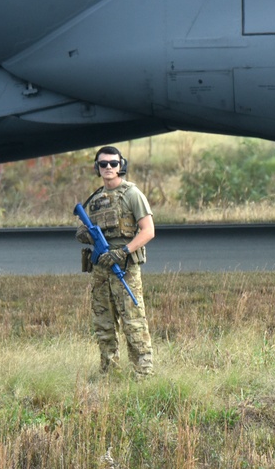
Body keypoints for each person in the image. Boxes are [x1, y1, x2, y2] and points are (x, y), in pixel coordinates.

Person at [76, 145, 155, 376]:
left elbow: (148, 231)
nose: (109, 168)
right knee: (103, 323)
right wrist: (84, 234)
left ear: (122, 166)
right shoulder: (96, 199)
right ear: (97, 167)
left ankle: (143, 374)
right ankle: (108, 372)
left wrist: (123, 252)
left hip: (125, 267)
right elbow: (83, 228)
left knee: (133, 322)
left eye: (114, 163)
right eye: (103, 164)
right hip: (101, 268)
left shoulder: (132, 194)